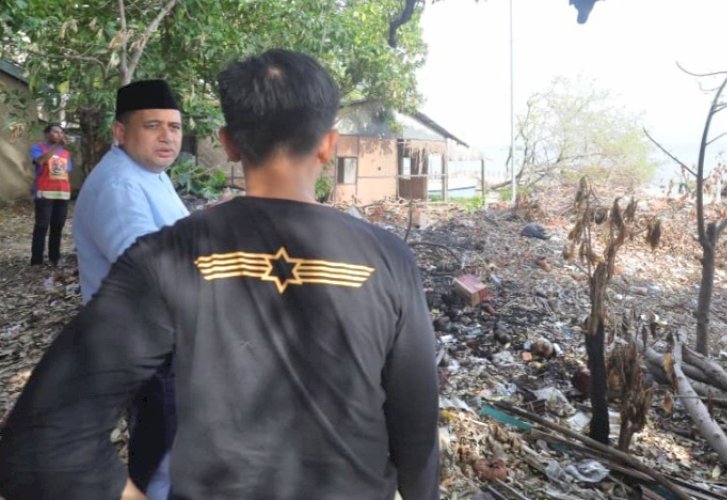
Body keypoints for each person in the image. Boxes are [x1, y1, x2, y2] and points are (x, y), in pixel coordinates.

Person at [0, 49, 440, 500]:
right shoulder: (389, 259)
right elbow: (417, 431)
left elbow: (41, 439)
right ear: (329, 144)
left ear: (228, 143)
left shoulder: (166, 256)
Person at [71, 79, 189, 500]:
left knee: (171, 447)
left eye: (174, 127)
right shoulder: (120, 185)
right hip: (143, 345)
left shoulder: (151, 174)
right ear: (120, 133)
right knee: (163, 461)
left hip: (161, 340)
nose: (167, 137)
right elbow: (147, 272)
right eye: (152, 125)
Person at [29, 124, 72, 267]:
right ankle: (36, 261)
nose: (59, 134)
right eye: (55, 132)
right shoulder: (38, 148)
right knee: (42, 226)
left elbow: (66, 172)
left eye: (61, 132)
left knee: (57, 226)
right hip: (44, 192)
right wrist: (55, 148)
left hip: (62, 193)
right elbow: (41, 161)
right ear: (46, 134)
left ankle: (55, 257)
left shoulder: (66, 153)